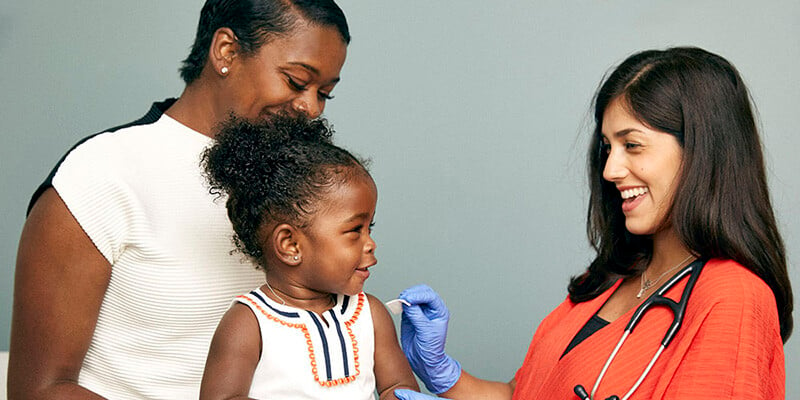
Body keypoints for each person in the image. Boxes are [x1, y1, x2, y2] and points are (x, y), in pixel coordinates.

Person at [393, 47, 793, 400]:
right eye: (608, 147)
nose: (610, 169)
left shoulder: (734, 299)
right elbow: (529, 394)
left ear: (702, 152)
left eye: (632, 145)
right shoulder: (613, 276)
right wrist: (446, 376)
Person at [9, 1, 350, 398]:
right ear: (226, 51)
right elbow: (39, 391)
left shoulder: (301, 187)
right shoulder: (101, 174)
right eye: (295, 81)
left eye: (324, 93)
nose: (311, 107)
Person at [198, 115, 418, 399]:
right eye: (355, 230)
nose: (371, 243)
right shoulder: (249, 322)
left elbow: (396, 387)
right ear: (290, 245)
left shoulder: (370, 314)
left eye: (369, 228)